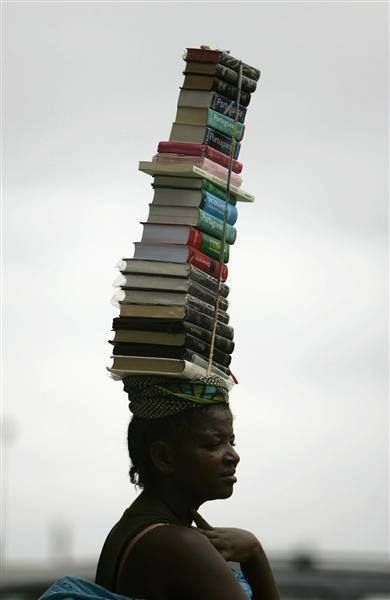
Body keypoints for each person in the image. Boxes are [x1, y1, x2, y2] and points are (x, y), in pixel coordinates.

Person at [95, 374, 280, 600]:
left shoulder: (128, 529)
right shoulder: (182, 545)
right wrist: (254, 554)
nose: (234, 456)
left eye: (231, 442)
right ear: (164, 457)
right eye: (214, 444)